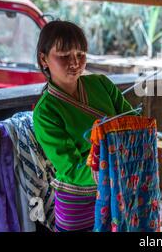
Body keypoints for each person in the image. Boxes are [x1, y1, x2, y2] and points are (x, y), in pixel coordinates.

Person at [33, 20, 134, 232]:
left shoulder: (102, 84)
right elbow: (70, 168)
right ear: (44, 59)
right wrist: (111, 167)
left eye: (80, 55)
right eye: (64, 56)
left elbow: (132, 122)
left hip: (118, 188)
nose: (75, 62)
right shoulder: (45, 112)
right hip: (78, 199)